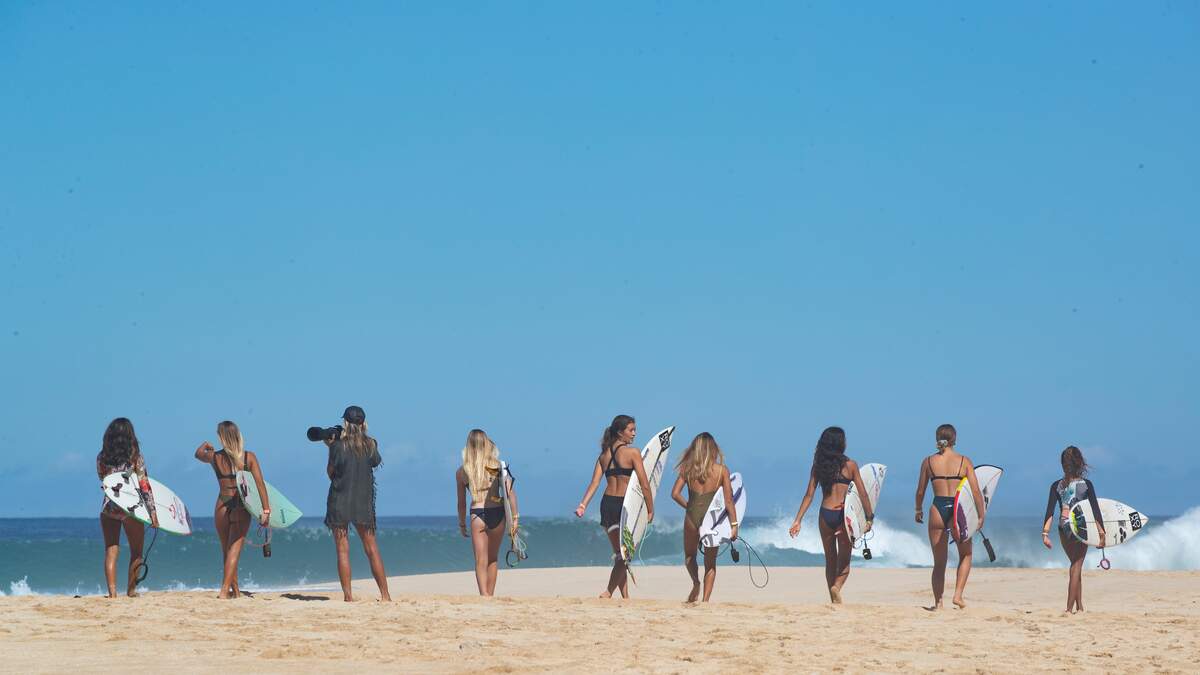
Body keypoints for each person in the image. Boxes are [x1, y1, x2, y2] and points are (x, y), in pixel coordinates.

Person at [788, 427, 873, 604]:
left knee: (830, 560)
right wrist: (869, 517)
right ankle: (837, 587)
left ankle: (833, 599)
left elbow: (809, 495)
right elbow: (863, 494)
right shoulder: (850, 465)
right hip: (843, 517)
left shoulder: (818, 467)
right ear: (840, 443)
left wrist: (798, 520)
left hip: (825, 515)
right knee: (845, 562)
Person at [573, 414, 654, 598]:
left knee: (620, 554)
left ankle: (625, 598)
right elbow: (644, 483)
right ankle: (608, 592)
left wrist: (583, 505)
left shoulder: (604, 456)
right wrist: (650, 509)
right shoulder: (633, 453)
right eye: (631, 430)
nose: (634, 434)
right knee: (625, 555)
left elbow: (594, 483)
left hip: (607, 504)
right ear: (620, 432)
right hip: (625, 506)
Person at [193, 420, 271, 599]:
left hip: (221, 506)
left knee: (226, 551)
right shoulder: (249, 457)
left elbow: (198, 454)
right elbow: (260, 485)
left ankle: (235, 590)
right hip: (240, 506)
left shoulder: (215, 457)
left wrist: (206, 444)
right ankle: (224, 591)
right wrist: (266, 510)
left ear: (221, 437)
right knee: (234, 551)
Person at [914, 423, 985, 610]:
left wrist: (918, 509)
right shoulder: (964, 461)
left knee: (939, 563)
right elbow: (976, 492)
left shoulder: (928, 462)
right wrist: (980, 515)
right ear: (954, 439)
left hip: (937, 508)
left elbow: (920, 491)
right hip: (957, 511)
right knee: (966, 554)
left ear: (937, 439)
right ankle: (958, 595)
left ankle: (938, 603)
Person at [323, 405, 391, 602]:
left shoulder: (337, 446)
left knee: (342, 550)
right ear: (364, 423)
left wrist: (330, 447)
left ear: (345, 422)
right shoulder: (371, 444)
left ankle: (348, 596)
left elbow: (330, 473)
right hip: (363, 501)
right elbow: (375, 462)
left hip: (339, 500)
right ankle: (385, 595)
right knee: (371, 548)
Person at [670, 432, 738, 603]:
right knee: (710, 563)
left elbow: (675, 494)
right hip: (712, 521)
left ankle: (696, 583)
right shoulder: (722, 471)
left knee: (690, 556)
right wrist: (734, 524)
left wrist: (690, 507)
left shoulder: (687, 468)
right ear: (713, 449)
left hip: (691, 517)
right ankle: (705, 601)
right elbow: (729, 501)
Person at [96, 417, 158, 598]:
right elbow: (144, 485)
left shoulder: (102, 457)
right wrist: (153, 513)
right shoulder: (135, 457)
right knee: (136, 551)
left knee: (111, 550)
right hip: (131, 508)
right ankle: (131, 591)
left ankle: (112, 593)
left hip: (109, 507)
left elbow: (103, 480)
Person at [1042, 445, 1105, 614]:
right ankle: (1069, 609)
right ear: (1079, 463)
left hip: (1063, 527)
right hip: (1080, 526)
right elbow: (1095, 510)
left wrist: (1045, 534)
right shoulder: (1086, 485)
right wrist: (1102, 533)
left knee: (1075, 565)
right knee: (1076, 566)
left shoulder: (1056, 485)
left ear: (1063, 464)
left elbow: (1049, 511)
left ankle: (1080, 606)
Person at [455, 429, 518, 596]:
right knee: (492, 558)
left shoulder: (462, 471)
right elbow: (509, 492)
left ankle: (484, 596)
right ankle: (490, 595)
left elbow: (461, 503)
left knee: (480, 560)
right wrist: (515, 517)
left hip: (477, 514)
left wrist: (462, 523)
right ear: (486, 443)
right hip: (497, 512)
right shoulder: (497, 467)